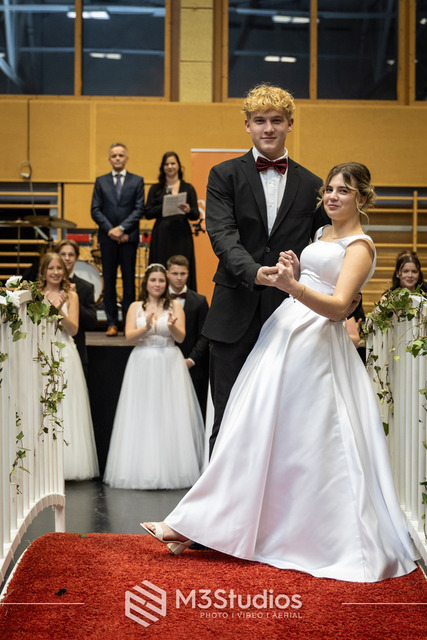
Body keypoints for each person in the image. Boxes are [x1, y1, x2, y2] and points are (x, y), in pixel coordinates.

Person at [142, 163, 418, 583]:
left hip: (315, 345)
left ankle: (279, 532)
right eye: (329, 189)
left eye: (343, 191)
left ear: (361, 198)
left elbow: (339, 308)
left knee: (301, 444)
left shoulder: (361, 246)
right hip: (286, 334)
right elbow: (317, 280)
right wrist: (297, 272)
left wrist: (294, 287)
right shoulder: (322, 234)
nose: (332, 196)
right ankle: (204, 524)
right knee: (251, 430)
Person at [201, 83, 330, 456]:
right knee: (227, 417)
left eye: (276, 120)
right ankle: (220, 495)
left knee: (284, 419)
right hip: (233, 311)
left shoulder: (313, 184)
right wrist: (255, 271)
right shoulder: (223, 175)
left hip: (289, 316)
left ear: (290, 124)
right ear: (247, 125)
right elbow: (222, 235)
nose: (268, 128)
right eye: (260, 120)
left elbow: (324, 246)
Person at [103, 263, 204, 490]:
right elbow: (129, 337)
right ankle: (141, 469)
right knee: (143, 412)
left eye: (160, 280)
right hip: (142, 361)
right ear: (146, 283)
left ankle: (172, 469)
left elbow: (180, 337)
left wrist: (172, 327)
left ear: (165, 283)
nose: (157, 284)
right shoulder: (135, 306)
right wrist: (146, 327)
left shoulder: (174, 305)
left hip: (169, 360)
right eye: (153, 280)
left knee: (169, 412)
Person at [38, 253, 99, 481]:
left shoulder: (71, 295)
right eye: (51, 268)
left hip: (64, 352)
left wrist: (59, 310)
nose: (55, 272)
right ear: (44, 271)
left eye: (59, 268)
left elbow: (73, 329)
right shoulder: (35, 295)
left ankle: (68, 463)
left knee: (66, 406)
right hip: (41, 353)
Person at [91, 143, 145, 336]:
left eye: (121, 155)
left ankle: (129, 322)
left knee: (129, 282)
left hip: (128, 238)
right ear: (109, 159)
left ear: (126, 158)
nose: (117, 158)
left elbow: (139, 208)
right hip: (108, 239)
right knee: (110, 281)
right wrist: (111, 231)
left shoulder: (137, 181)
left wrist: (122, 229)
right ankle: (112, 323)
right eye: (114, 155)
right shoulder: (101, 181)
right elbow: (95, 209)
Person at [145, 152, 199, 290]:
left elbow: (195, 214)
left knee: (183, 266)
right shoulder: (156, 188)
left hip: (182, 235)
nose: (170, 166)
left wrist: (188, 209)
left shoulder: (188, 188)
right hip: (161, 235)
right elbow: (148, 213)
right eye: (167, 164)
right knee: (161, 266)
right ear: (162, 167)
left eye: (173, 163)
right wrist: (164, 203)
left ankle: (185, 299)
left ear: (179, 166)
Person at [166, 255, 209, 420]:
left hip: (192, 366)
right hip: (164, 363)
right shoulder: (158, 300)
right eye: (175, 273)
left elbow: (204, 335)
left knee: (191, 413)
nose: (179, 278)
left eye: (182, 273)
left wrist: (191, 360)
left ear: (188, 273)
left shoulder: (199, 301)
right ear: (168, 273)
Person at [54, 239, 97, 377]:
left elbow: (92, 322)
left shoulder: (86, 287)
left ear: (76, 258)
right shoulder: (46, 287)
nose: (67, 258)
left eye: (71, 255)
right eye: (63, 254)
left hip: (75, 350)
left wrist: (75, 300)